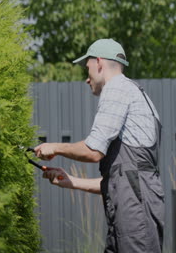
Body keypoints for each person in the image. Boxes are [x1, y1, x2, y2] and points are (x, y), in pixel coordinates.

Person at [34, 39, 165, 253]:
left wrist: (55, 147)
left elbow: (94, 151)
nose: (87, 78)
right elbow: (122, 178)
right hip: (135, 205)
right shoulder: (135, 92)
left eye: (88, 67)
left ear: (99, 63)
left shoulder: (116, 90)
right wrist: (71, 181)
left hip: (134, 210)